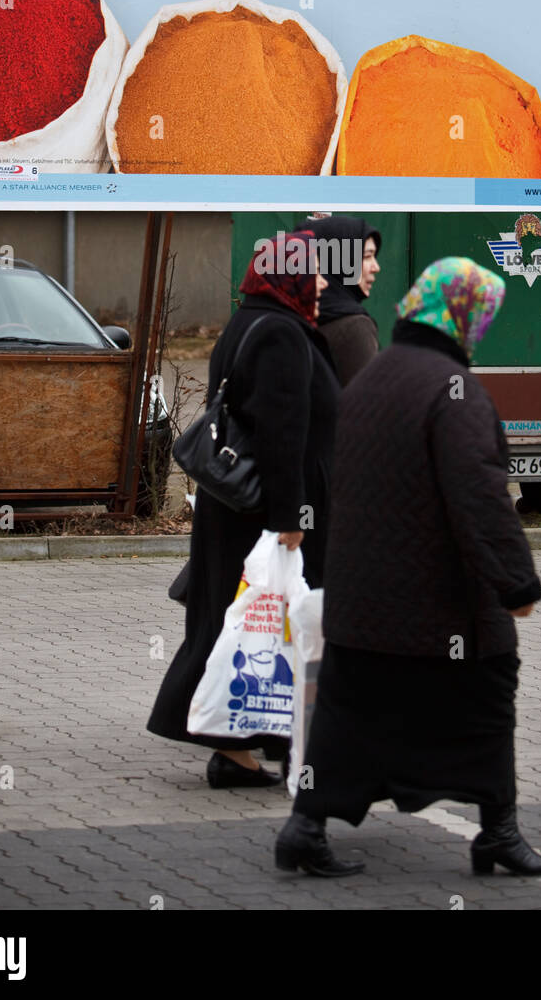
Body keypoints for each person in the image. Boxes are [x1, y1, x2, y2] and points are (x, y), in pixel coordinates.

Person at [274, 257, 541, 878]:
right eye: (481, 318)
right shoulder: (454, 391)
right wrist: (516, 582)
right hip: (438, 609)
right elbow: (481, 495)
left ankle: (304, 827)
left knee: (348, 714)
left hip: (361, 603)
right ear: (462, 318)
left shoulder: (372, 377)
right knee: (488, 698)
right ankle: (498, 832)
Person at [148, 230, 340, 789]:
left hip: (235, 508)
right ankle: (239, 744)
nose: (326, 282)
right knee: (258, 624)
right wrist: (290, 518)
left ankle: (253, 744)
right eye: (317, 272)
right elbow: (280, 433)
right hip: (263, 515)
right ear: (292, 277)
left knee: (243, 623)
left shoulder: (252, 320)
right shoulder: (280, 332)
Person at [294, 214, 382, 386]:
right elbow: (369, 406)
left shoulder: (290, 319)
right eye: (366, 256)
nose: (376, 267)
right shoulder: (354, 329)